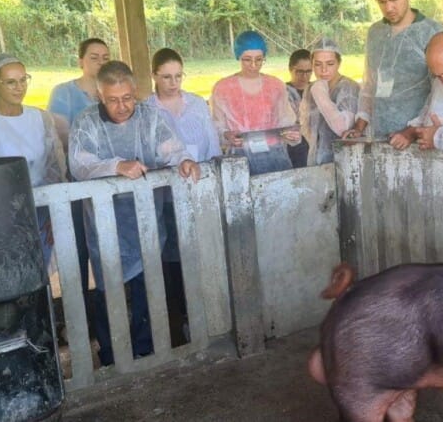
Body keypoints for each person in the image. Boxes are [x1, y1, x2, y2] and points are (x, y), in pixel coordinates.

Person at [68, 60, 200, 365]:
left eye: (127, 98)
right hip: (106, 224)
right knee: (108, 287)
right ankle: (112, 354)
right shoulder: (86, 122)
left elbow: (171, 147)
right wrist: (116, 165)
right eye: (112, 100)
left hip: (145, 220)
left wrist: (183, 160)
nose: (121, 106)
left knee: (147, 283)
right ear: (99, 95)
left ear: (135, 91)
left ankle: (146, 348)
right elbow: (79, 163)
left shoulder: (150, 117)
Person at [146, 48, 219, 345]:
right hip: (165, 192)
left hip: (199, 188)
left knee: (203, 247)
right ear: (154, 76)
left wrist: (215, 176)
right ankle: (179, 320)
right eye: (166, 77)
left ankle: (206, 313)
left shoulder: (197, 104)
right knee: (172, 253)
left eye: (177, 76)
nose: (173, 82)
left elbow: (212, 143)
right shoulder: (146, 109)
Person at [0, 53, 67, 264]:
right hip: (1, 215)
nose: (19, 88)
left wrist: (52, 211)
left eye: (23, 80)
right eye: (11, 82)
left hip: (39, 209)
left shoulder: (40, 117)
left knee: (40, 269)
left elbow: (54, 165)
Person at [342, 0, 443, 149]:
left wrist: (412, 131)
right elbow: (369, 85)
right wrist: (359, 127)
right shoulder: (375, 33)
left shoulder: (433, 32)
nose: (388, 8)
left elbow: (441, 90)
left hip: (418, 139)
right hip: (381, 135)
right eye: (381, 2)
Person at [47, 38, 108, 339]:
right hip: (76, 182)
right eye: (94, 57)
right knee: (78, 251)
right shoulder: (64, 93)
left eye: (105, 57)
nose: (100, 62)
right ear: (81, 60)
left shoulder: (111, 92)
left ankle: (108, 320)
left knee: (107, 249)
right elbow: (63, 135)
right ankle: (78, 324)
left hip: (107, 184)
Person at [210, 30, 302, 174]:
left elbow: (286, 120)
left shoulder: (275, 86)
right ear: (238, 56)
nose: (253, 65)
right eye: (247, 59)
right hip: (239, 159)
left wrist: (291, 134)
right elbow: (216, 126)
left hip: (275, 157)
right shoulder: (223, 88)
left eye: (259, 59)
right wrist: (227, 135)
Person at [299, 38, 361, 165]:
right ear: (311, 64)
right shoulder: (310, 88)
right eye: (318, 64)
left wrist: (320, 93)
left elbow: (343, 128)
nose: (323, 70)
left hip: (345, 162)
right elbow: (305, 125)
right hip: (316, 161)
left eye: (330, 63)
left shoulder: (348, 88)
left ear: (339, 63)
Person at [285, 49, 313, 168]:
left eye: (308, 71)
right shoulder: (283, 92)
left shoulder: (317, 90)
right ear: (290, 69)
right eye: (300, 71)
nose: (304, 76)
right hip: (293, 145)